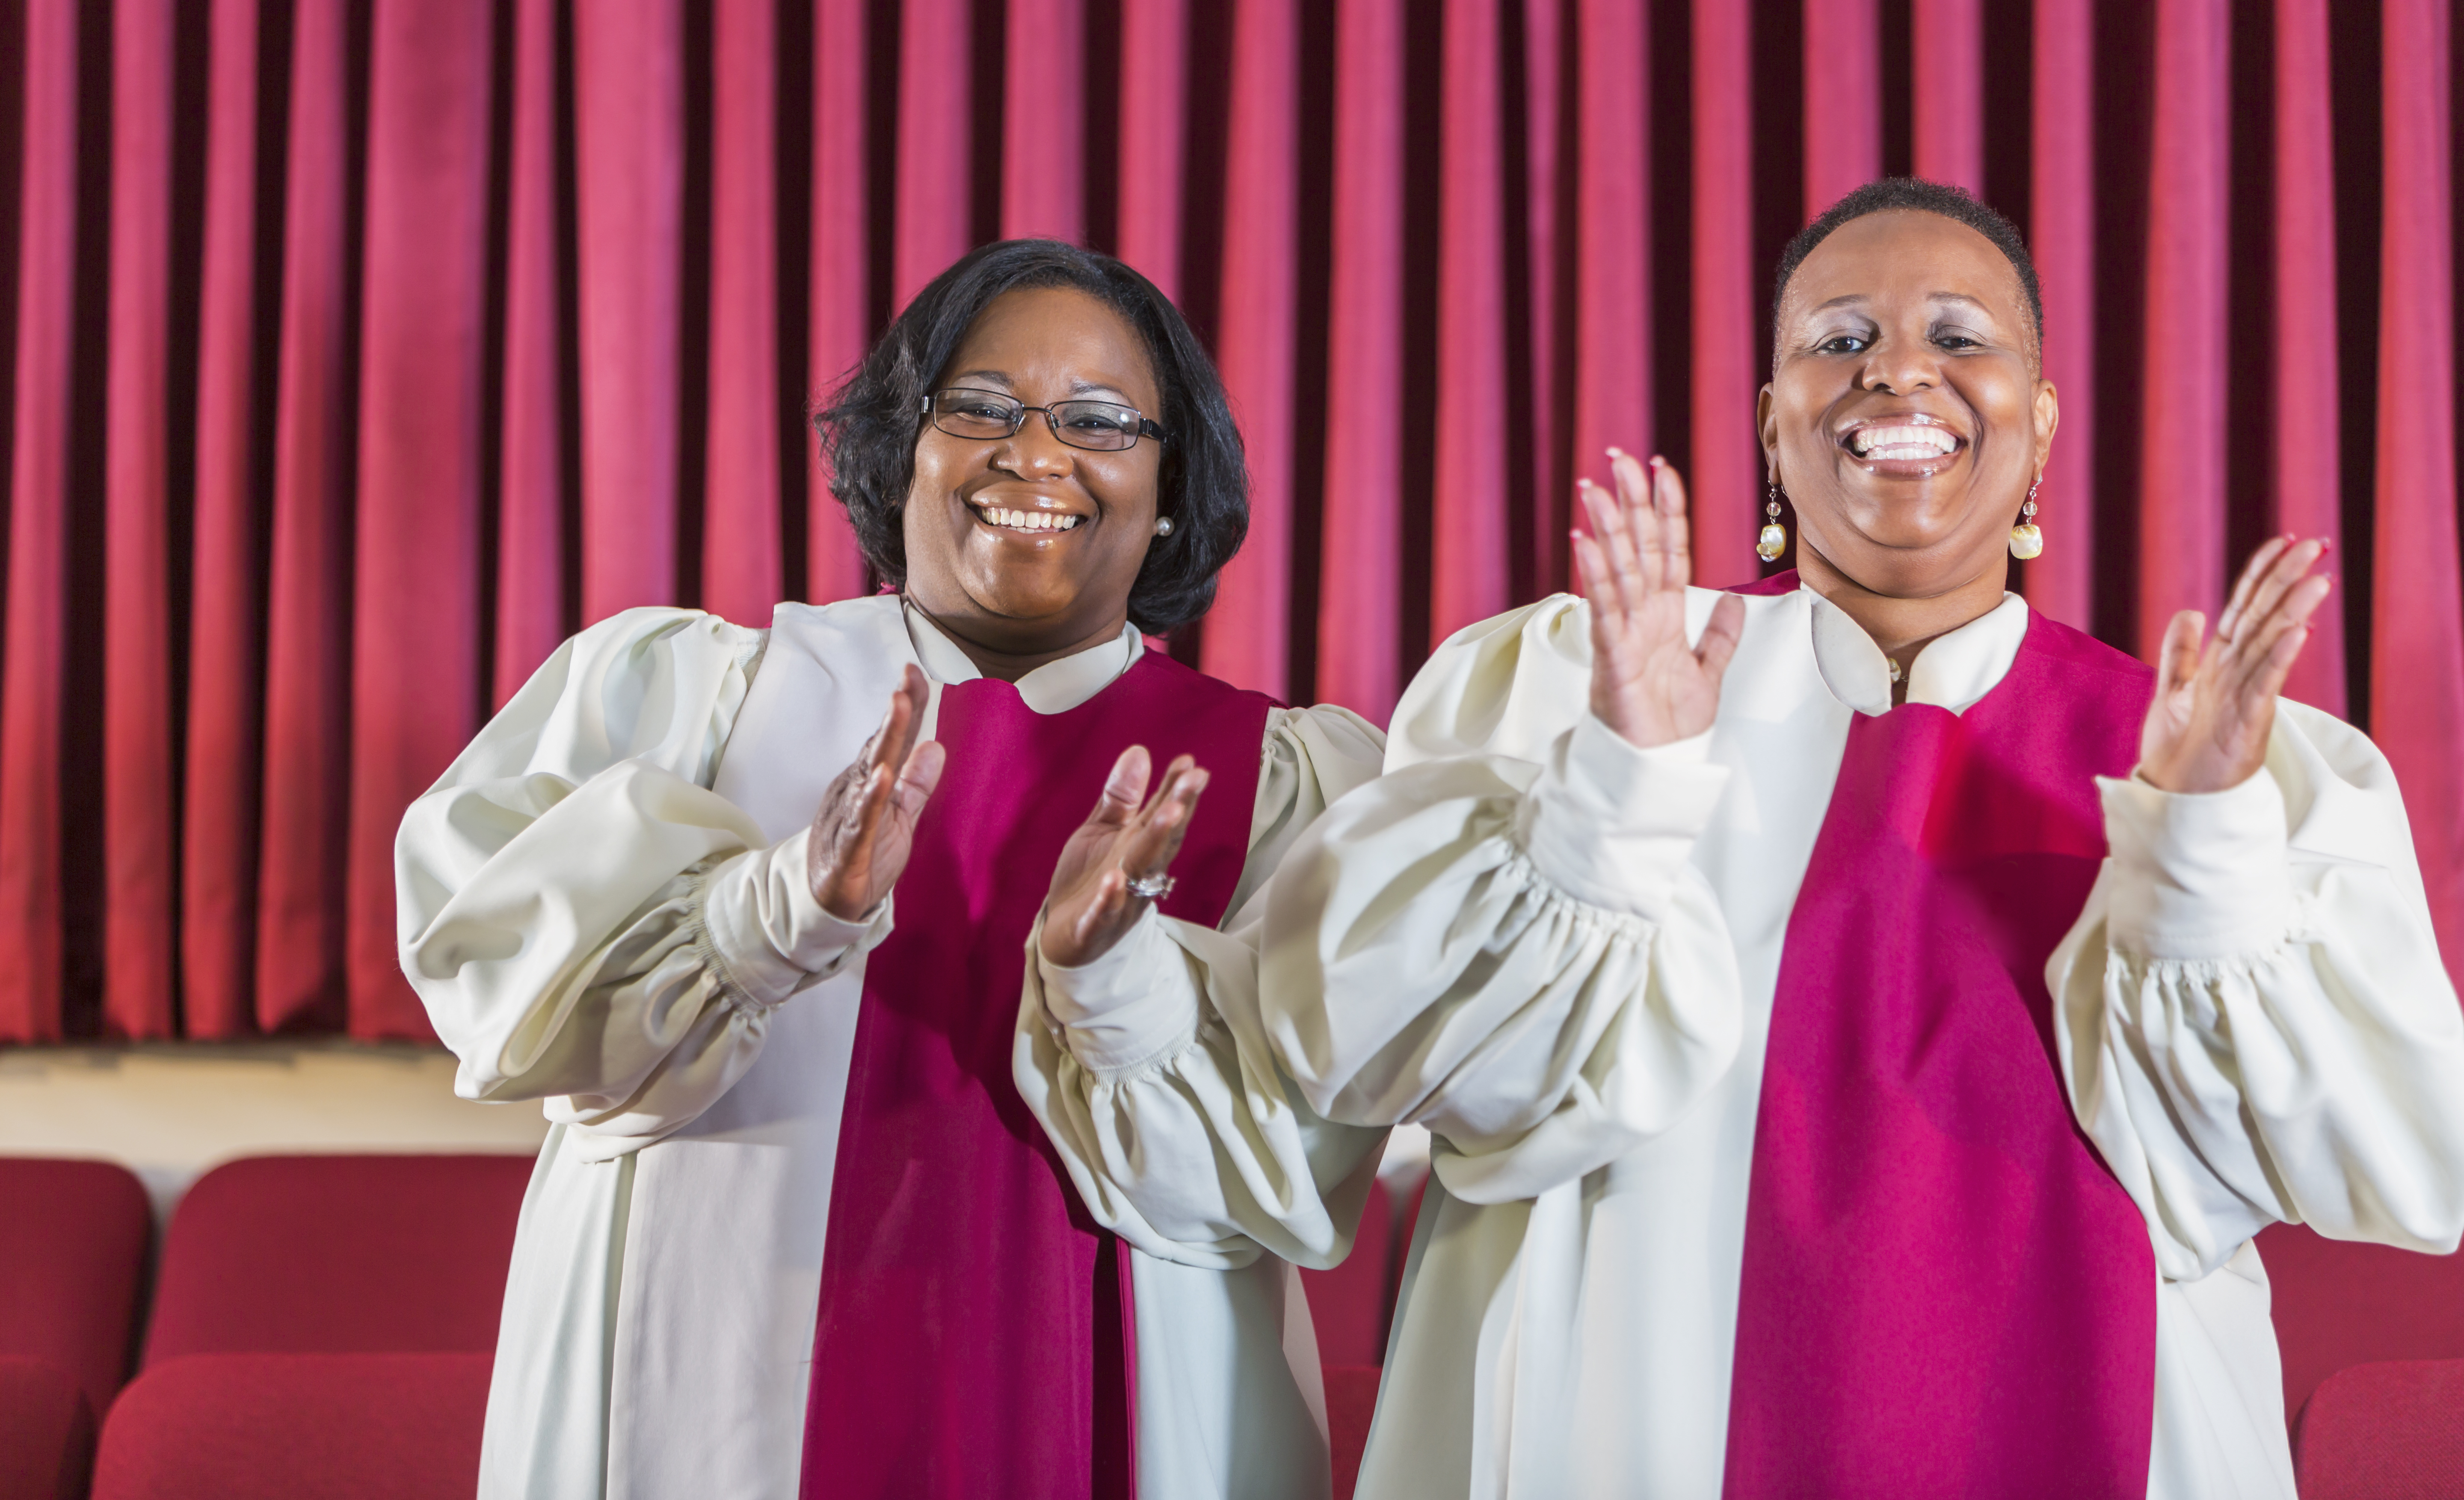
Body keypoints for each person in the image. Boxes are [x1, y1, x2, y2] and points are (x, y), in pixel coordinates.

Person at [1017, 178, 2464, 1499]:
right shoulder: (1558, 686)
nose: (1900, 368)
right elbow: (1358, 1060)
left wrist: (2203, 849)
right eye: (1841, 340)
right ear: (1773, 425)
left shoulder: (2238, 765)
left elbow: (2392, 1163)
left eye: (1961, 336)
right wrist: (1614, 792)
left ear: (2040, 420)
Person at [398, 239, 1386, 1500]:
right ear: (894, 450)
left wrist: (1115, 986)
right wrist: (773, 914)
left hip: (1120, 1422)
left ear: (1174, 483)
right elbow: (505, 997)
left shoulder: (1280, 783)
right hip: (705, 1394)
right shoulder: (692, 703)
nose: (1033, 455)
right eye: (977, 407)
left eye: (1099, 420)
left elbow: (1300, 1163)